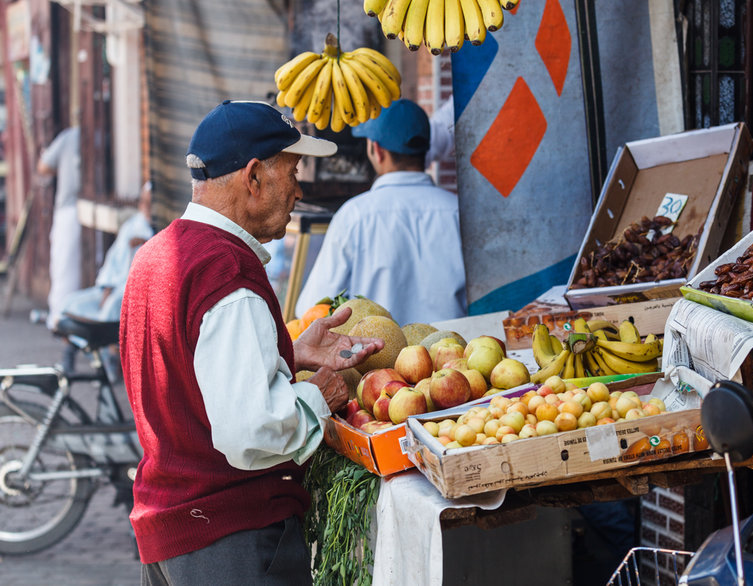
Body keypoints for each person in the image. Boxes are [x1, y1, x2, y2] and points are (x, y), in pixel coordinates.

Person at [119, 100, 384, 585]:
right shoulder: (226, 273)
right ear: (254, 176)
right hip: (231, 539)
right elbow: (252, 432)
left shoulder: (156, 256)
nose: (300, 191)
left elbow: (188, 373)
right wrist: (318, 394)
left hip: (172, 535)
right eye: (294, 171)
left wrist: (287, 350)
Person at [296, 98, 467, 326]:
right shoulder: (458, 213)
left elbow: (312, 307)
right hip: (458, 357)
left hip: (376, 360)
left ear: (377, 150)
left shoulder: (354, 216)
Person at [60, 181, 154, 324]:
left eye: (150, 203)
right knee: (70, 304)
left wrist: (146, 242)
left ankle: (103, 343)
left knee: (112, 308)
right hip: (113, 286)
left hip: (132, 292)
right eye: (144, 202)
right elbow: (113, 259)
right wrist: (107, 287)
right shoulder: (131, 226)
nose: (146, 207)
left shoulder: (160, 230)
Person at [37, 126, 82, 331]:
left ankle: (59, 320)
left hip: (70, 209)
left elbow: (43, 166)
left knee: (64, 268)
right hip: (77, 207)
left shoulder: (70, 136)